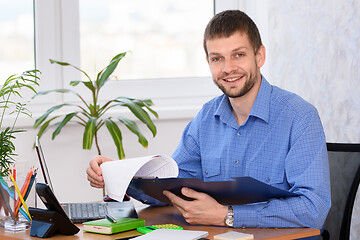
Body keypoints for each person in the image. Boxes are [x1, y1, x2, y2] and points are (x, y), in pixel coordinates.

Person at [86, 10, 331, 230]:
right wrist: (121, 175)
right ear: (209, 63)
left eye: (238, 55)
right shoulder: (206, 117)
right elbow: (171, 188)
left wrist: (227, 215)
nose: (228, 68)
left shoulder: (300, 117)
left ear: (260, 56)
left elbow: (313, 209)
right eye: (217, 58)